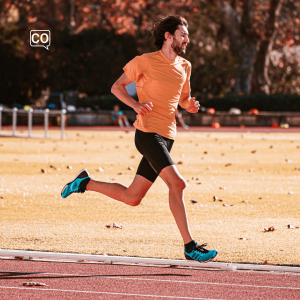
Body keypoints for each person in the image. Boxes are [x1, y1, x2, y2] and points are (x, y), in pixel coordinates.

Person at [61, 15, 218, 262]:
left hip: (168, 136)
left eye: (187, 35)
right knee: (178, 185)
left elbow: (183, 99)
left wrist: (190, 106)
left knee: (132, 198)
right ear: (169, 36)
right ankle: (190, 247)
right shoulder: (144, 62)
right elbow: (117, 87)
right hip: (147, 134)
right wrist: (135, 105)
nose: (187, 39)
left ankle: (84, 183)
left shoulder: (185, 66)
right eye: (183, 34)